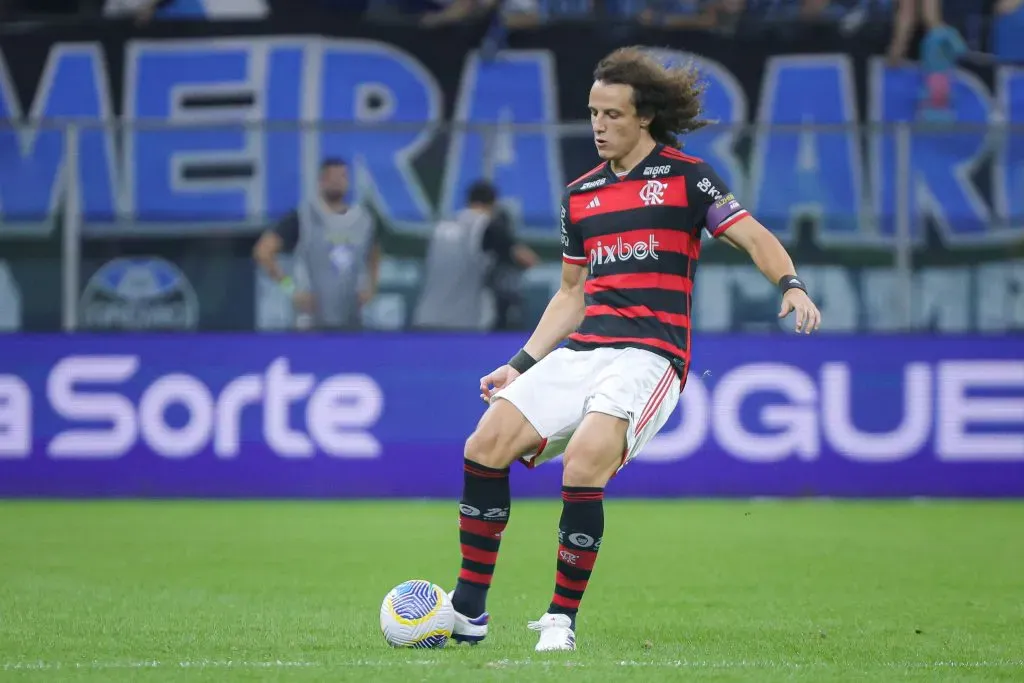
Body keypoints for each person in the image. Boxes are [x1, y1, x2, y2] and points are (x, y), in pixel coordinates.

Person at [446, 46, 822, 652]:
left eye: (612, 114)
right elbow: (572, 294)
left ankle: (560, 620)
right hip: (587, 348)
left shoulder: (688, 177)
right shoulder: (580, 195)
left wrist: (791, 284)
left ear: (643, 116)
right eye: (593, 113)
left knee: (585, 461)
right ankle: (468, 611)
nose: (598, 125)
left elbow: (751, 235)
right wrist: (519, 365)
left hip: (651, 355)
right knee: (484, 444)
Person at [253, 158, 380, 330]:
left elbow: (374, 254)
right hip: (310, 322)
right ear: (321, 181)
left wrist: (371, 287)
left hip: (352, 320)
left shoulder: (363, 221)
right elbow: (263, 252)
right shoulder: (303, 217)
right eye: (331, 177)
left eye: (341, 176)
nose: (336, 182)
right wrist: (291, 289)